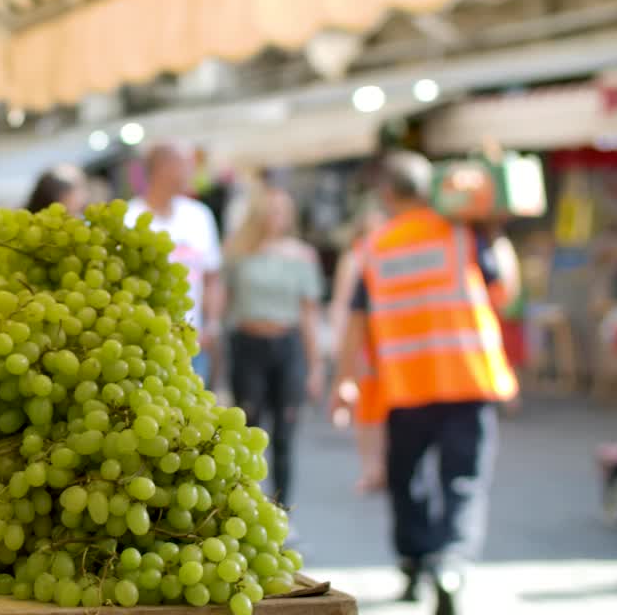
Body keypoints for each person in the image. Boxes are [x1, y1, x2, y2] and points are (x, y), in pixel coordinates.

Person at [336, 151, 520, 615]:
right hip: (468, 379)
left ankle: (415, 562)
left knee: (407, 479)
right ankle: (452, 561)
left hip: (406, 384)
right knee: (463, 479)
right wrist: (496, 232)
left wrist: (345, 379)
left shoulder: (375, 246)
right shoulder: (462, 235)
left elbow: (356, 322)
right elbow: (506, 295)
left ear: (386, 195)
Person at [222, 186, 323, 505]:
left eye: (281, 210)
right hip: (248, 344)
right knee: (248, 429)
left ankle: (282, 510)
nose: (275, 216)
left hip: (287, 345)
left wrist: (315, 366)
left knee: (284, 433)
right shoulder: (239, 252)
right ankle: (245, 503)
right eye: (270, 209)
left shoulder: (302, 255)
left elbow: (309, 314)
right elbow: (224, 302)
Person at [125, 142, 223, 388]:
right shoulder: (129, 217)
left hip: (193, 341)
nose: (191, 172)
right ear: (162, 169)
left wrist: (211, 323)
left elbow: (212, 278)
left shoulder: (199, 216)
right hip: (144, 345)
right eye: (185, 165)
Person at [327, 200, 388, 494]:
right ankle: (371, 467)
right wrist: (343, 343)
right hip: (363, 340)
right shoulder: (354, 258)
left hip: (386, 341)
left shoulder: (388, 255)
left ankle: (386, 466)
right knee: (366, 409)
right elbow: (342, 303)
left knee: (387, 407)